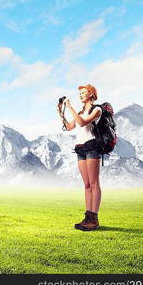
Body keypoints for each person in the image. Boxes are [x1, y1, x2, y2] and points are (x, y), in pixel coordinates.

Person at [56, 84, 102, 231]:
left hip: (92, 146)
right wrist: (61, 113)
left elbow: (82, 123)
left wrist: (69, 107)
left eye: (83, 92)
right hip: (80, 148)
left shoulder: (97, 110)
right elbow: (70, 127)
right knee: (87, 184)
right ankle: (88, 218)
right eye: (80, 93)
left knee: (94, 183)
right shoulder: (81, 111)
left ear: (91, 94)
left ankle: (94, 219)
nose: (80, 95)